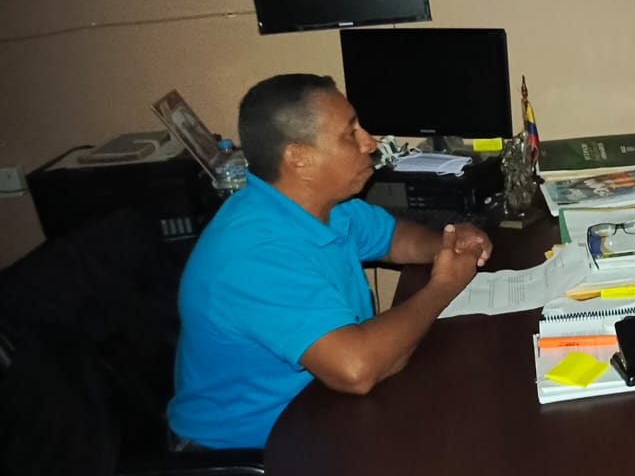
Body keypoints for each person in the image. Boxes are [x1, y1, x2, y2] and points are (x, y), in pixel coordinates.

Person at [168, 74, 492, 450]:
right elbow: (356, 369)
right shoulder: (256, 255)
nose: (370, 143)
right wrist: (443, 286)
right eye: (350, 134)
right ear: (299, 158)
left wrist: (446, 243)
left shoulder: (322, 207)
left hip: (320, 412)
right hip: (251, 450)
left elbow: (392, 237)